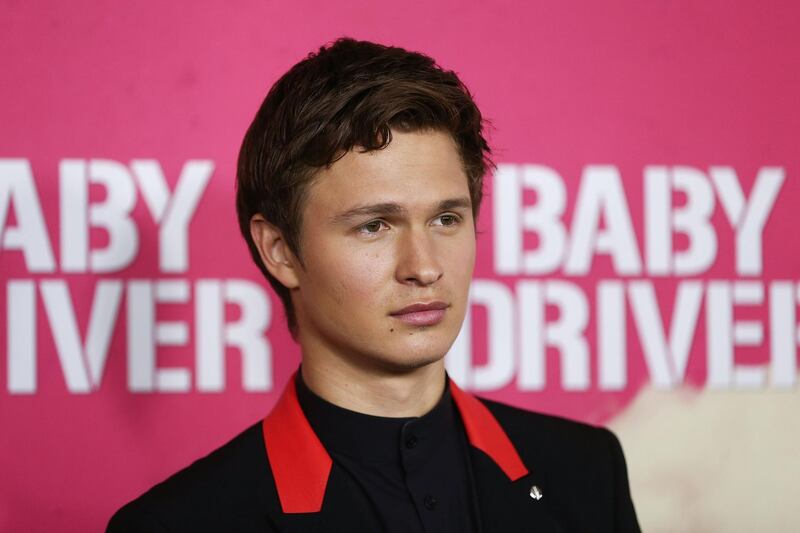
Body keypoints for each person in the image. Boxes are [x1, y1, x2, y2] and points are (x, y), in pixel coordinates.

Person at [108, 37, 640, 532]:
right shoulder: (179, 524)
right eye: (374, 225)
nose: (425, 267)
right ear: (280, 251)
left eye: (446, 219)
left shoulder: (587, 472)